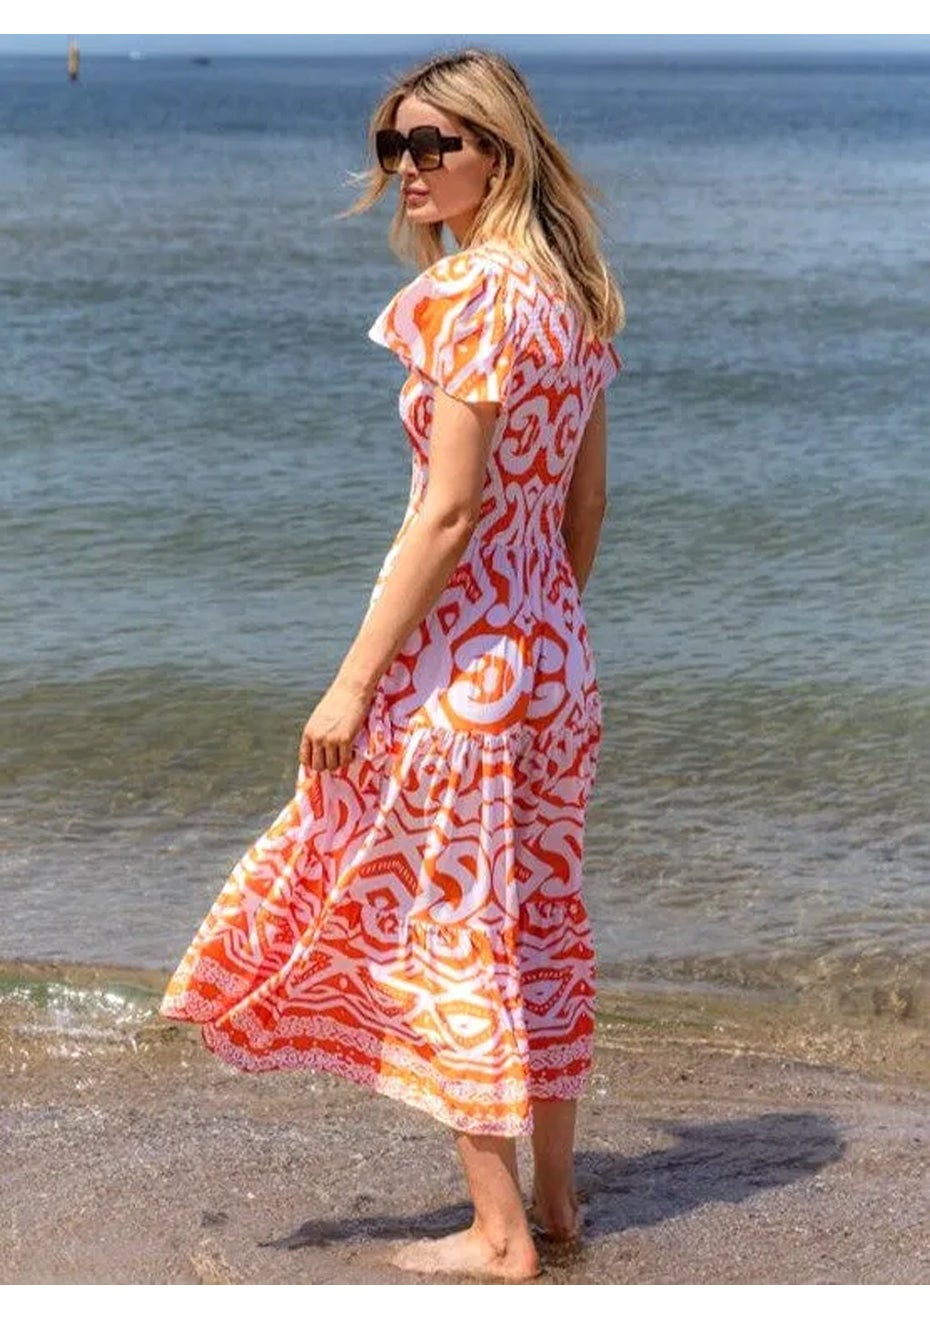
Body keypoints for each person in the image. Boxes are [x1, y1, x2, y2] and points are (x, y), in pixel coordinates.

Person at [160, 47, 624, 1281]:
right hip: (554, 659)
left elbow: (450, 512)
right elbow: (582, 506)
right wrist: (541, 630)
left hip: (462, 665)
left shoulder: (467, 297)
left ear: (496, 154)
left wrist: (354, 681)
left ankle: (499, 1233)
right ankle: (559, 1199)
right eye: (393, 146)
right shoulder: (574, 296)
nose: (406, 169)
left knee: (453, 931)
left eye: (432, 145)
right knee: (538, 918)